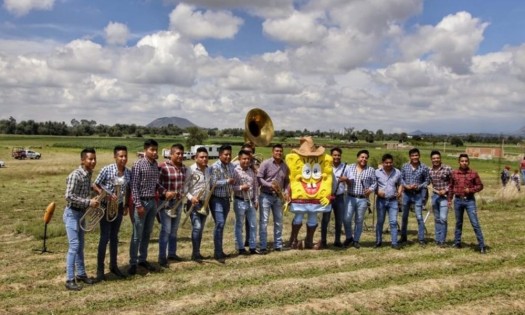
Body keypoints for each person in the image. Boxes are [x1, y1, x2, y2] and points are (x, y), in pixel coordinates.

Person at [286, 136, 333, 250]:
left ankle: (309, 241)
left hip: (315, 197)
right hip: (301, 196)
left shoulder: (324, 161)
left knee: (313, 216)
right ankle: (293, 240)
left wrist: (327, 196)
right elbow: (291, 178)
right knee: (299, 216)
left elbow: (327, 179)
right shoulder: (295, 160)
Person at [93, 145, 131, 281]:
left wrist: (126, 205)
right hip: (106, 206)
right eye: (121, 156)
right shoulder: (107, 169)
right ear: (115, 157)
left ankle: (114, 266)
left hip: (119, 207)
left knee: (115, 237)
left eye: (125, 156)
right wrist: (106, 195)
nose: (123, 159)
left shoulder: (128, 172)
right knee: (104, 238)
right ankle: (100, 270)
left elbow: (128, 189)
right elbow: (95, 185)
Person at [63, 147, 99, 291]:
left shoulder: (88, 174)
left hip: (81, 214)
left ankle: (81, 274)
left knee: (80, 246)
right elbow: (69, 196)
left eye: (94, 159)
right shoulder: (75, 175)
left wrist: (94, 191)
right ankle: (69, 279)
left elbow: (83, 189)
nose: (93, 161)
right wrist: (89, 202)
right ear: (82, 160)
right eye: (90, 159)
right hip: (72, 213)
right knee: (74, 246)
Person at [128, 139, 160, 275]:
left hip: (152, 202)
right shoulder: (138, 164)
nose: (154, 152)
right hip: (141, 202)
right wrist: (138, 205)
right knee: (137, 235)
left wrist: (166, 191)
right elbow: (133, 186)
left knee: (147, 233)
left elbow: (156, 184)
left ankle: (143, 259)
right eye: (152, 150)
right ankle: (133, 263)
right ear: (145, 150)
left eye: (156, 150)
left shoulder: (155, 164)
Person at [448, 153, 487, 254]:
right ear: (459, 162)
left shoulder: (473, 173)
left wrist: (470, 190)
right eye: (462, 161)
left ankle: (482, 245)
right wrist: (449, 200)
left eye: (466, 161)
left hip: (469, 200)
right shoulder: (454, 173)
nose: (464, 163)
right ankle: (457, 242)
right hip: (457, 200)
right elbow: (451, 187)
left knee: (475, 223)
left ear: (468, 162)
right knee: (458, 223)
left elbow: (480, 186)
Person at [157, 143, 187, 267]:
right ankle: (162, 256)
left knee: (174, 230)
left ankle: (172, 253)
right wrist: (165, 192)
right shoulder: (162, 166)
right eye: (177, 153)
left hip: (178, 203)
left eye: (182, 153)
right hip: (165, 202)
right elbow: (156, 183)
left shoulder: (184, 168)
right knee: (166, 230)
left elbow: (185, 185)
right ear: (171, 154)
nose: (180, 156)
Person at [257, 144, 290, 253]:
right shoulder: (265, 163)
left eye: (280, 151)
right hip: (266, 195)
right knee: (264, 221)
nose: (279, 153)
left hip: (278, 197)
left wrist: (285, 192)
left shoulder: (285, 166)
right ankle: (262, 246)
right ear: (272, 152)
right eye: (276, 151)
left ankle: (278, 245)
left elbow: (286, 181)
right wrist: (269, 185)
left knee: (279, 222)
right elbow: (259, 178)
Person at [344, 149, 376, 249]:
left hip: (362, 199)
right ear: (358, 158)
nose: (364, 159)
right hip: (350, 196)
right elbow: (345, 178)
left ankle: (356, 240)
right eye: (362, 157)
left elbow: (375, 183)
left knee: (359, 220)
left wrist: (370, 189)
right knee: (346, 218)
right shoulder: (349, 168)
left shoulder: (371, 170)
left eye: (366, 158)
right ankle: (349, 237)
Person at [209, 144, 236, 263]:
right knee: (219, 224)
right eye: (226, 154)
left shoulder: (231, 166)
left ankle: (219, 250)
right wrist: (227, 181)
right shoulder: (214, 166)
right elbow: (213, 183)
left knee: (221, 225)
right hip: (216, 199)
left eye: (230, 154)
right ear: (220, 155)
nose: (228, 156)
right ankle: (218, 253)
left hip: (226, 199)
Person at [320, 147, 350, 248]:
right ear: (331, 156)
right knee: (325, 219)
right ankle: (323, 241)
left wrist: (346, 179)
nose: (336, 157)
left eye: (338, 155)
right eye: (335, 155)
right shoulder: (326, 165)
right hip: (328, 197)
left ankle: (337, 240)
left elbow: (350, 182)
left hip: (340, 197)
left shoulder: (346, 167)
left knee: (339, 220)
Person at [400, 148, 430, 245]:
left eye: (416, 155)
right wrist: (406, 186)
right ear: (410, 157)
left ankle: (421, 239)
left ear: (419, 156)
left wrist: (419, 186)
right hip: (407, 194)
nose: (414, 157)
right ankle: (403, 237)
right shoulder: (405, 166)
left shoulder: (424, 167)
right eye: (412, 156)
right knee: (404, 217)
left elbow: (427, 180)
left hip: (418, 195)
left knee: (419, 216)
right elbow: (401, 179)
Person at [185, 147, 210, 262]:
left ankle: (197, 253)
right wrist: (191, 197)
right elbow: (184, 188)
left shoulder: (209, 170)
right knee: (197, 227)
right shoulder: (190, 170)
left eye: (206, 157)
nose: (204, 159)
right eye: (202, 157)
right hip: (193, 203)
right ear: (196, 158)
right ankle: (195, 253)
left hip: (205, 203)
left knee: (200, 229)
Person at [232, 149, 259, 255]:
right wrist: (240, 187)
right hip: (240, 201)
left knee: (253, 225)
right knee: (239, 225)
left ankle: (252, 247)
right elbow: (230, 187)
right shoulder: (234, 171)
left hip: (251, 201)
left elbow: (256, 186)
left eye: (248, 159)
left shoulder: (252, 171)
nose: (246, 161)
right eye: (244, 159)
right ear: (239, 159)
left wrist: (256, 200)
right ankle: (240, 247)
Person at [374, 153, 403, 249]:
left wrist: (399, 192)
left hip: (393, 201)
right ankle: (378, 241)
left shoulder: (397, 172)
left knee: (393, 222)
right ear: (383, 163)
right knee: (380, 221)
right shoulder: (377, 172)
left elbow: (401, 184)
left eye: (390, 162)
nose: (388, 164)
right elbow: (374, 186)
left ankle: (394, 242)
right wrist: (377, 192)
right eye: (386, 163)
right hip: (381, 200)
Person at [428, 150, 452, 247]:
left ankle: (442, 240)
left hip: (444, 197)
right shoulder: (429, 171)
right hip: (435, 196)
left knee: (443, 218)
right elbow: (427, 182)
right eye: (434, 158)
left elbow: (452, 183)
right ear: (431, 160)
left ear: (440, 158)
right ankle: (437, 239)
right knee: (437, 219)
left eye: (437, 158)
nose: (436, 160)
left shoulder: (447, 169)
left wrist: (445, 190)